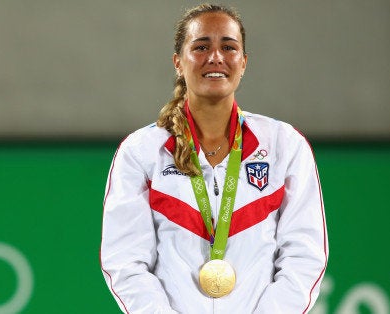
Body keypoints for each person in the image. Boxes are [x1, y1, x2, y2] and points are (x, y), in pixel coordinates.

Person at [100, 4, 328, 313]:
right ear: (178, 63)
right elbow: (126, 262)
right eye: (201, 46)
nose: (216, 57)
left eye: (229, 47)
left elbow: (304, 256)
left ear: (244, 62)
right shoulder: (141, 151)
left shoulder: (284, 146)